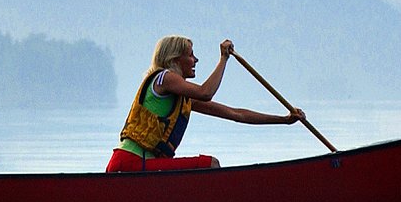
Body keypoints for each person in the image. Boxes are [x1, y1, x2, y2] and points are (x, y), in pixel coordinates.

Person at [109, 36, 305, 172]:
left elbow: (236, 114)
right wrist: (223, 59)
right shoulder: (164, 78)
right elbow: (206, 93)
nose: (196, 60)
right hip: (130, 164)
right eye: (190, 55)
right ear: (175, 59)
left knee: (208, 164)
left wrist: (284, 120)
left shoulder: (183, 98)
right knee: (209, 164)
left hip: (146, 166)